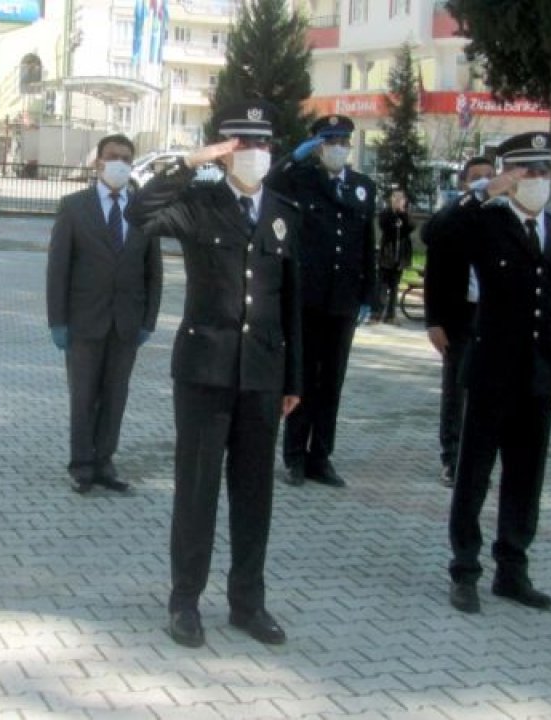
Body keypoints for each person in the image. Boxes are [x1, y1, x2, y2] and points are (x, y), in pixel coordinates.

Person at [127, 100, 302, 649]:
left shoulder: (282, 210)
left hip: (262, 375)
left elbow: (291, 300)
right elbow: (139, 212)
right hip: (205, 372)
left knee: (255, 496)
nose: (256, 154)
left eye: (263, 144)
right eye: (243, 144)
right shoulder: (198, 202)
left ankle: (247, 602)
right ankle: (185, 602)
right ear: (226, 151)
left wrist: (293, 378)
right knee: (197, 492)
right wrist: (188, 162)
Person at [441, 132, 551, 615]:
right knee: (474, 474)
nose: (538, 181)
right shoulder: (486, 222)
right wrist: (484, 190)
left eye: (544, 172)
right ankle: (465, 570)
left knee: (525, 476)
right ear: (509, 175)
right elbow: (436, 234)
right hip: (492, 371)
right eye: (527, 171)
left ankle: (512, 569)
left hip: (536, 376)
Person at [46, 134, 163, 494]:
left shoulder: (143, 208)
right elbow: (58, 269)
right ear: (98, 162)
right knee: (83, 397)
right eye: (113, 157)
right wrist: (58, 321)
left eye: (127, 159)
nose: (120, 164)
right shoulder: (74, 207)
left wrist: (149, 321)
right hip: (84, 321)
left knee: (116, 396)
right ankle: (81, 464)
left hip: (126, 322)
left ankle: (105, 461)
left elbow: (153, 271)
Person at [268, 114, 376, 488]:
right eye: (330, 140)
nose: (338, 147)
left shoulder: (363, 187)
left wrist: (368, 293)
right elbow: (269, 182)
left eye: (344, 140)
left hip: (343, 298)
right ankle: (294, 456)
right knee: (302, 379)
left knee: (332, 382)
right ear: (316, 145)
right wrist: (294, 158)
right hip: (307, 297)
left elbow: (367, 244)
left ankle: (321, 457)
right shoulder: (301, 179)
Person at [424, 156, 495, 488]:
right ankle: (451, 458)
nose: (483, 182)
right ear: (464, 184)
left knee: (490, 392)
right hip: (460, 316)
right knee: (457, 391)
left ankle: (478, 459)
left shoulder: (504, 217)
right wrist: (434, 320)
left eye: (489, 177)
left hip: (495, 317)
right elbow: (432, 244)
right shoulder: (452, 220)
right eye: (476, 178)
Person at [376, 187, 414, 324]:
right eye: (395, 197)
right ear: (390, 199)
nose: (397, 200)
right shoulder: (385, 213)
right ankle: (378, 313)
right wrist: (393, 212)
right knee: (382, 286)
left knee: (394, 286)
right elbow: (384, 226)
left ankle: (391, 315)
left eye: (400, 198)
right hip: (387, 255)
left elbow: (410, 227)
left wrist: (402, 213)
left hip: (400, 256)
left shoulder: (406, 215)